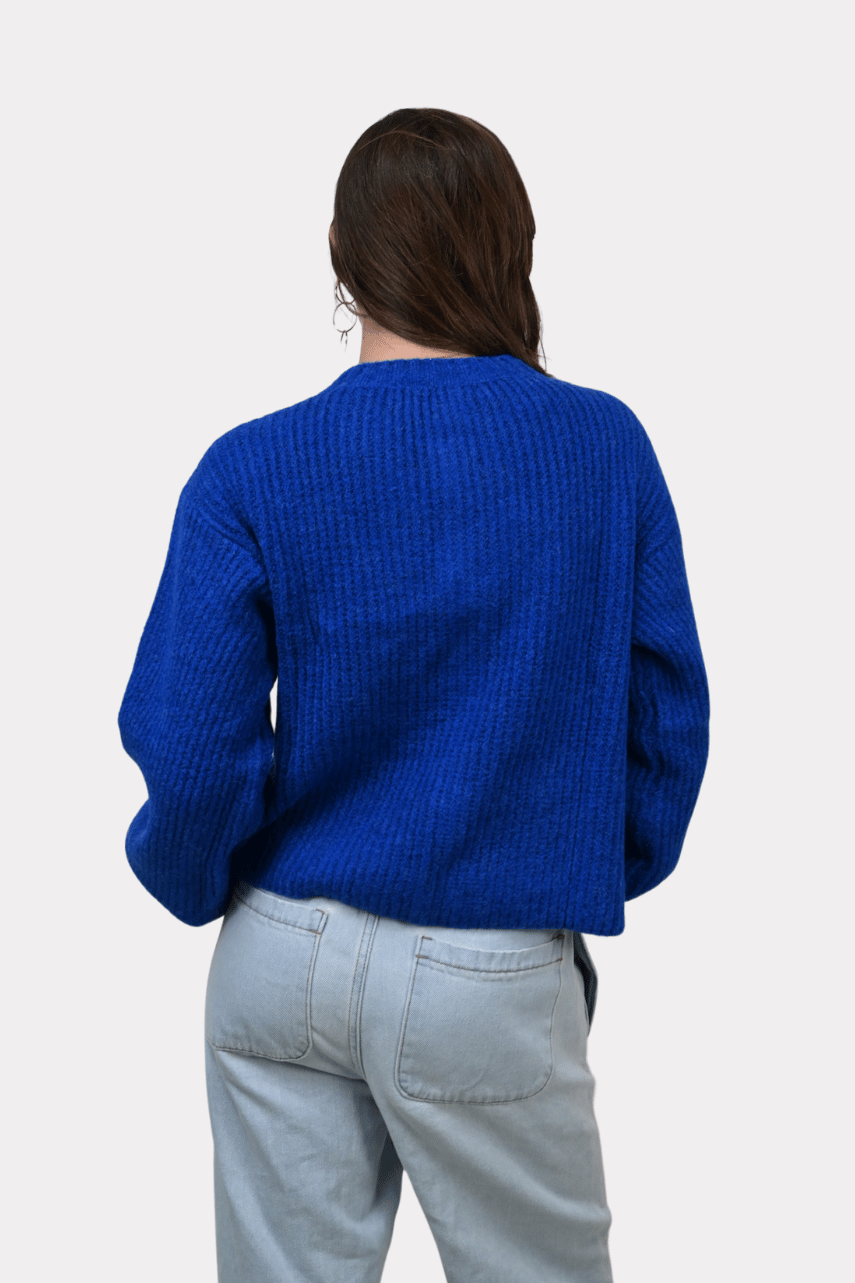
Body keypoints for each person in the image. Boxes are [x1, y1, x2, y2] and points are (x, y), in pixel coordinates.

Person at [118, 106, 710, 1283]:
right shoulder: (603, 448)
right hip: (489, 966)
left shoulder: (250, 466)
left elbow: (190, 746)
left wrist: (196, 883)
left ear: (342, 255)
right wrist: (570, 868)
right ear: (513, 247)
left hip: (278, 955)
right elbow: (665, 725)